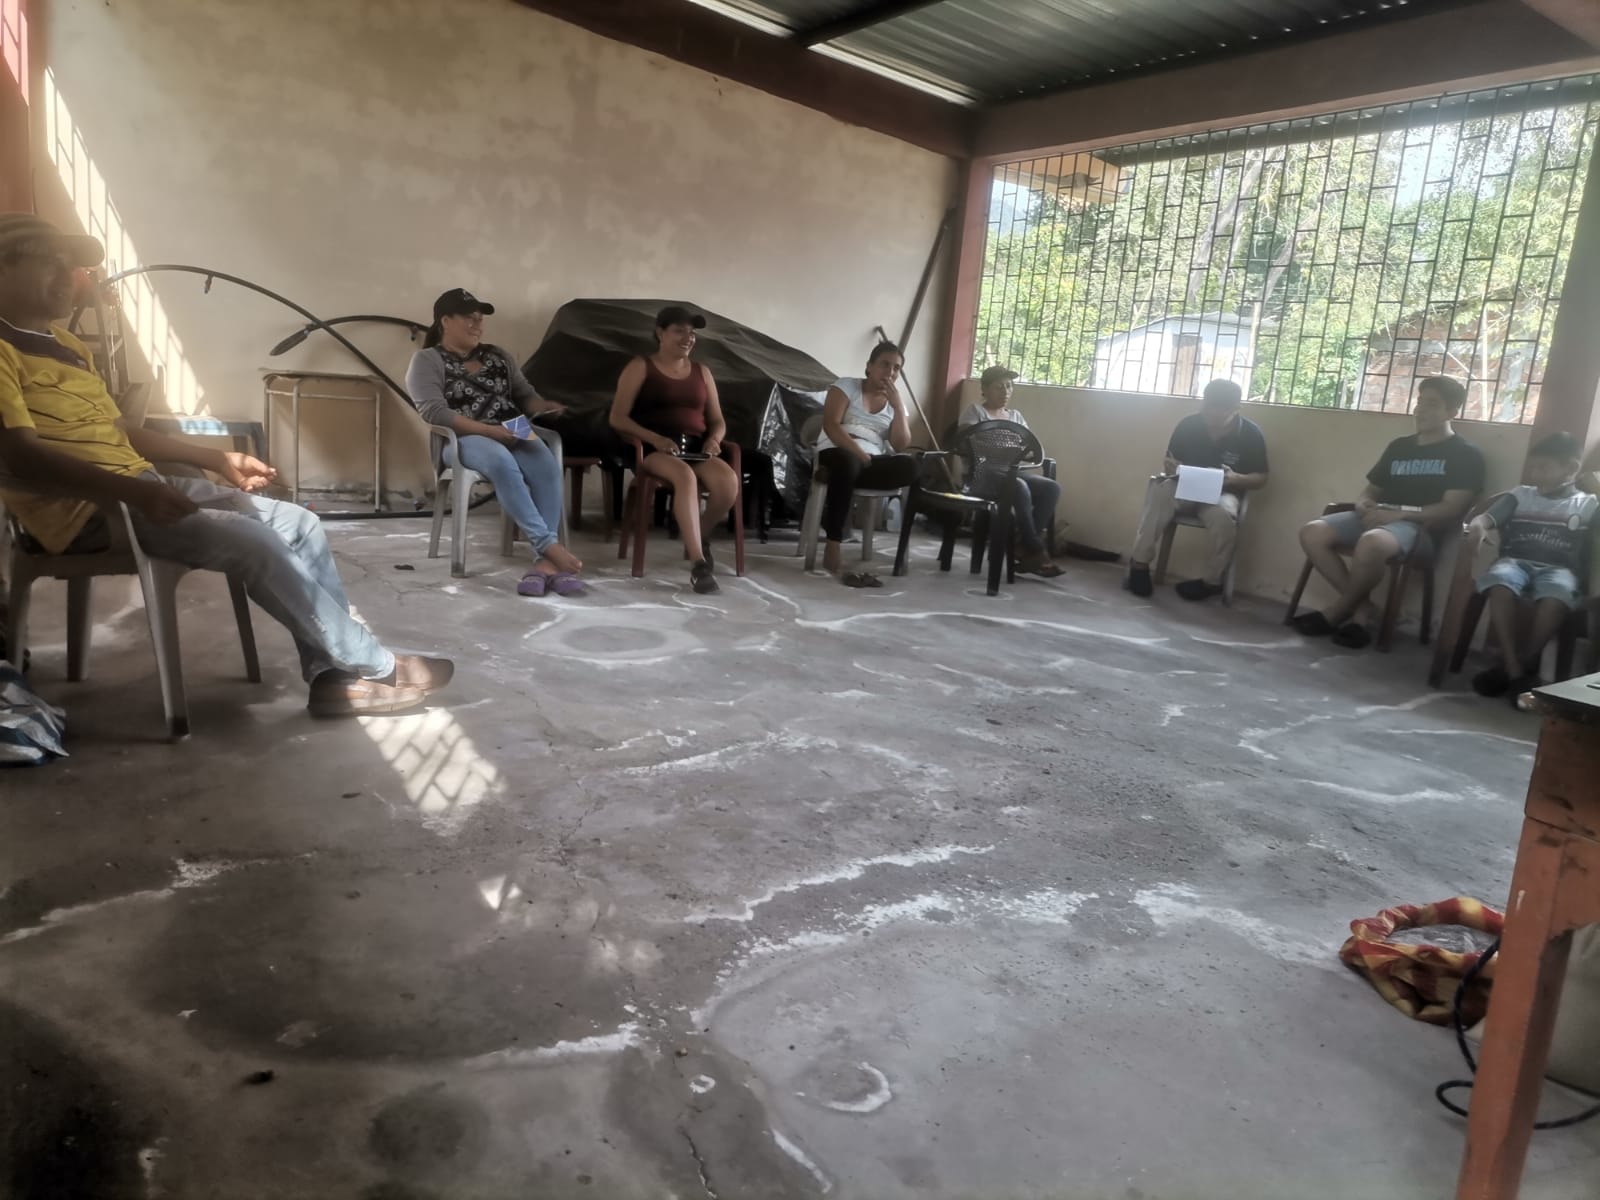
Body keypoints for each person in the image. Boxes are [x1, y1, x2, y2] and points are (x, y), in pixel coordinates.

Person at [0, 212, 451, 716]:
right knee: (254, 540)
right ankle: (376, 664)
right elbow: (21, 455)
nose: (69, 277)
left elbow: (119, 430)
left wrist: (217, 458)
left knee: (298, 524)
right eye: (50, 262)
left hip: (137, 487)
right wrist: (136, 493)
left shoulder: (65, 346)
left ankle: (332, 679)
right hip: (86, 511)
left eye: (72, 264)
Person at [406, 288, 583, 597]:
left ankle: (544, 565)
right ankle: (548, 545)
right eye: (469, 318)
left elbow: (524, 395)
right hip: (464, 437)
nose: (477, 325)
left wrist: (542, 406)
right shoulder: (427, 360)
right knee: (501, 460)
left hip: (512, 427)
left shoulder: (498, 356)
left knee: (545, 463)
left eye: (480, 319)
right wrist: (489, 432)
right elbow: (434, 411)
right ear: (445, 320)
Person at [1293, 376, 1485, 649]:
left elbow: (1452, 508)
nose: (1421, 409)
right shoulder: (1400, 447)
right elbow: (1371, 490)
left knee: (1372, 542)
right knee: (1312, 532)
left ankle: (1339, 612)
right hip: (1379, 518)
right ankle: (1363, 608)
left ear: (1452, 412)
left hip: (1419, 529)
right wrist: (1363, 503)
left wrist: (1399, 515)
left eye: (1432, 404)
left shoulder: (1466, 454)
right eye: (1420, 401)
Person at [609, 305, 739, 594]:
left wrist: (715, 439)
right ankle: (698, 564)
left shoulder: (702, 372)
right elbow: (617, 418)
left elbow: (717, 421)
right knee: (685, 477)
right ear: (660, 333)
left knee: (728, 482)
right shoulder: (640, 366)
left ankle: (698, 536)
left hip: (695, 448)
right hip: (654, 450)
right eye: (679, 331)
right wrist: (655, 438)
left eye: (691, 333)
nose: (688, 338)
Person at [1468, 432, 1597, 703]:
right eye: (1533, 467)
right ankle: (1516, 668)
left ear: (1570, 468)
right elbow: (1486, 518)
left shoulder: (1587, 504)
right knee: (1500, 582)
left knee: (1557, 595)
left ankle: (1523, 662)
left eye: (1544, 468)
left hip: (1559, 569)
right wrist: (1478, 525)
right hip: (1514, 562)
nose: (1535, 474)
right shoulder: (1520, 495)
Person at [1127, 379, 1268, 601]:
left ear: (1236, 409)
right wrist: (1172, 467)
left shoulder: (1251, 434)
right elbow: (1170, 460)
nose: (1212, 417)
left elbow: (1261, 478)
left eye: (1220, 413)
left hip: (1223, 492)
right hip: (1184, 486)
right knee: (1160, 492)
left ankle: (1212, 582)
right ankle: (1139, 565)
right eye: (1208, 409)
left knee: (1224, 518)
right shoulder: (1188, 425)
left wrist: (1235, 478)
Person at [815, 341, 917, 587]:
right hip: (837, 450)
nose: (890, 372)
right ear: (869, 366)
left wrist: (898, 407)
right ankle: (834, 542)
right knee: (848, 464)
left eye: (896, 368)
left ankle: (902, 554)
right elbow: (831, 425)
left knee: (911, 466)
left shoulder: (895, 403)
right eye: (884, 364)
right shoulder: (846, 386)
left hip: (872, 460)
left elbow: (901, 444)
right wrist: (859, 453)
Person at [959, 365, 1063, 577]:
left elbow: (1030, 448)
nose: (1005, 391)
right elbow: (965, 442)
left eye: (1009, 386)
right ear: (984, 389)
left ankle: (1023, 546)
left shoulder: (1016, 416)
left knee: (1051, 488)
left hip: (1011, 471)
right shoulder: (975, 412)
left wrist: (1021, 449)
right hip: (982, 475)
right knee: (1018, 486)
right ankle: (1036, 549)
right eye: (999, 387)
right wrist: (1006, 445)